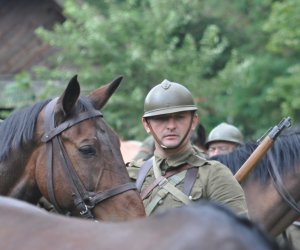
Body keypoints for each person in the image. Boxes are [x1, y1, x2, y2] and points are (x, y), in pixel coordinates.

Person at [127, 79, 248, 217]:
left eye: (179, 117)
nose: (171, 125)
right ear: (147, 124)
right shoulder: (130, 175)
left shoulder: (214, 175)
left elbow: (237, 235)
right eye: (161, 118)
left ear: (194, 121)